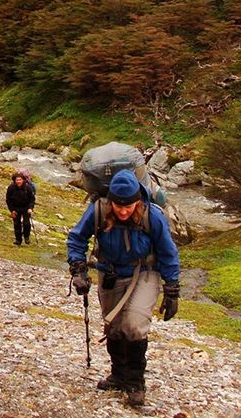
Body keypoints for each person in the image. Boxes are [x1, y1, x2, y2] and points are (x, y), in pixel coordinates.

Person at [66, 169, 180, 407]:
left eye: (129, 206)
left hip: (145, 273)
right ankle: (118, 375)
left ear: (138, 201)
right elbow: (77, 238)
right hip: (110, 273)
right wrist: (78, 269)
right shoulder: (98, 210)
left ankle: (135, 383)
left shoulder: (153, 217)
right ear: (111, 202)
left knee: (134, 324)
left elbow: (168, 253)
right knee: (114, 326)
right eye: (119, 206)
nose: (124, 211)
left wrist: (171, 289)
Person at [5, 172, 35, 245]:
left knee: (26, 224)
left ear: (23, 180)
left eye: (20, 180)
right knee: (17, 224)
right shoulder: (11, 188)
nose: (18, 181)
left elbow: (32, 199)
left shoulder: (28, 187)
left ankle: (26, 237)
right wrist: (12, 210)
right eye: (17, 180)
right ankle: (18, 240)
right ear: (14, 180)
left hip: (26, 208)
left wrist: (30, 208)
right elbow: (8, 200)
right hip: (15, 208)